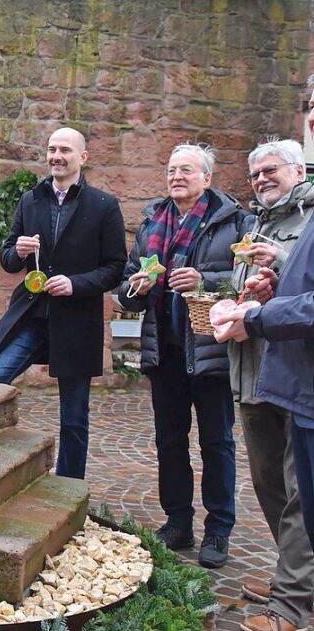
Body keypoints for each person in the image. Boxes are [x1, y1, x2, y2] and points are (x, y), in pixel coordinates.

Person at [117, 144, 250, 569]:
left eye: (187, 170)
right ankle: (178, 522)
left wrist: (204, 278)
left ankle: (218, 530)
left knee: (217, 443)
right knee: (170, 442)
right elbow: (126, 289)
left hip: (209, 350)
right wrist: (134, 287)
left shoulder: (233, 222)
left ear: (206, 178)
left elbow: (247, 278)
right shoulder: (152, 221)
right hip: (166, 351)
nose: (177, 176)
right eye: (172, 169)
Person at [212, 105, 314, 631]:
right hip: (253, 366)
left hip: (297, 368)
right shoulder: (252, 222)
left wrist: (271, 295)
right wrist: (251, 291)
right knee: (268, 478)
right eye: (254, 173)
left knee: (303, 487)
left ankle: (294, 599)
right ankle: (293, 575)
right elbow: (264, 291)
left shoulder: (310, 217)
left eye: (271, 168)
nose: (261, 178)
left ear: (299, 171)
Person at [0, 127, 126, 480]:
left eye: (64, 150)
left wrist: (76, 284)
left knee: (74, 416)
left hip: (77, 321)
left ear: (82, 157)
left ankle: (69, 485)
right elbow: (7, 258)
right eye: (51, 149)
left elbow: (115, 268)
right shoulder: (30, 200)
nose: (56, 156)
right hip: (32, 315)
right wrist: (15, 251)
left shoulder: (104, 206)